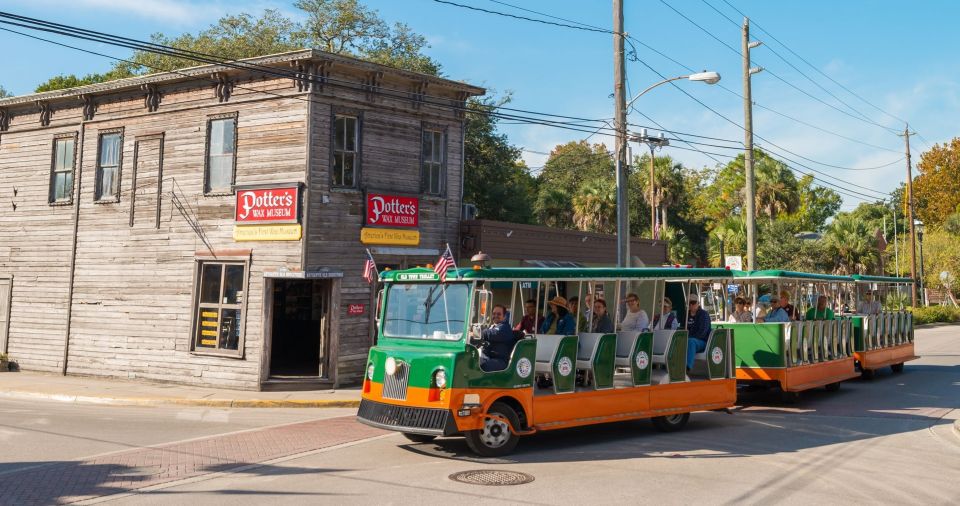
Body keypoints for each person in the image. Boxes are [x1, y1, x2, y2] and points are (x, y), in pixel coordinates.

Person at [472, 305, 517, 372]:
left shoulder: (504, 328)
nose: (495, 316)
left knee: (482, 366)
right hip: (487, 357)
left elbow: (491, 334)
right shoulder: (492, 327)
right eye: (494, 314)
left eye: (499, 314)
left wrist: (475, 333)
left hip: (500, 360)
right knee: (471, 361)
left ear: (504, 316)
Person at [686, 298, 711, 370]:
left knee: (691, 342)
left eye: (693, 302)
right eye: (689, 302)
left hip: (702, 341)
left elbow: (702, 333)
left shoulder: (704, 314)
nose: (691, 305)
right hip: (689, 339)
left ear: (698, 303)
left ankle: (687, 367)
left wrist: (689, 338)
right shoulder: (686, 314)